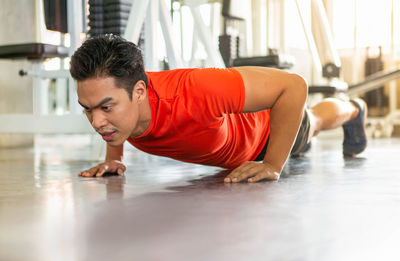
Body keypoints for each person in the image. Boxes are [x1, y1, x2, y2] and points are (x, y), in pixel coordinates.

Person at [69, 34, 367, 183]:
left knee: (314, 121)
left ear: (139, 92)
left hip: (268, 132)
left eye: (106, 108)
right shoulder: (121, 107)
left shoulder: (195, 90)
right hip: (239, 153)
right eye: (87, 109)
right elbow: (109, 117)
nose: (96, 122)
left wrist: (273, 165)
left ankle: (354, 109)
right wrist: (113, 158)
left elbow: (294, 86)